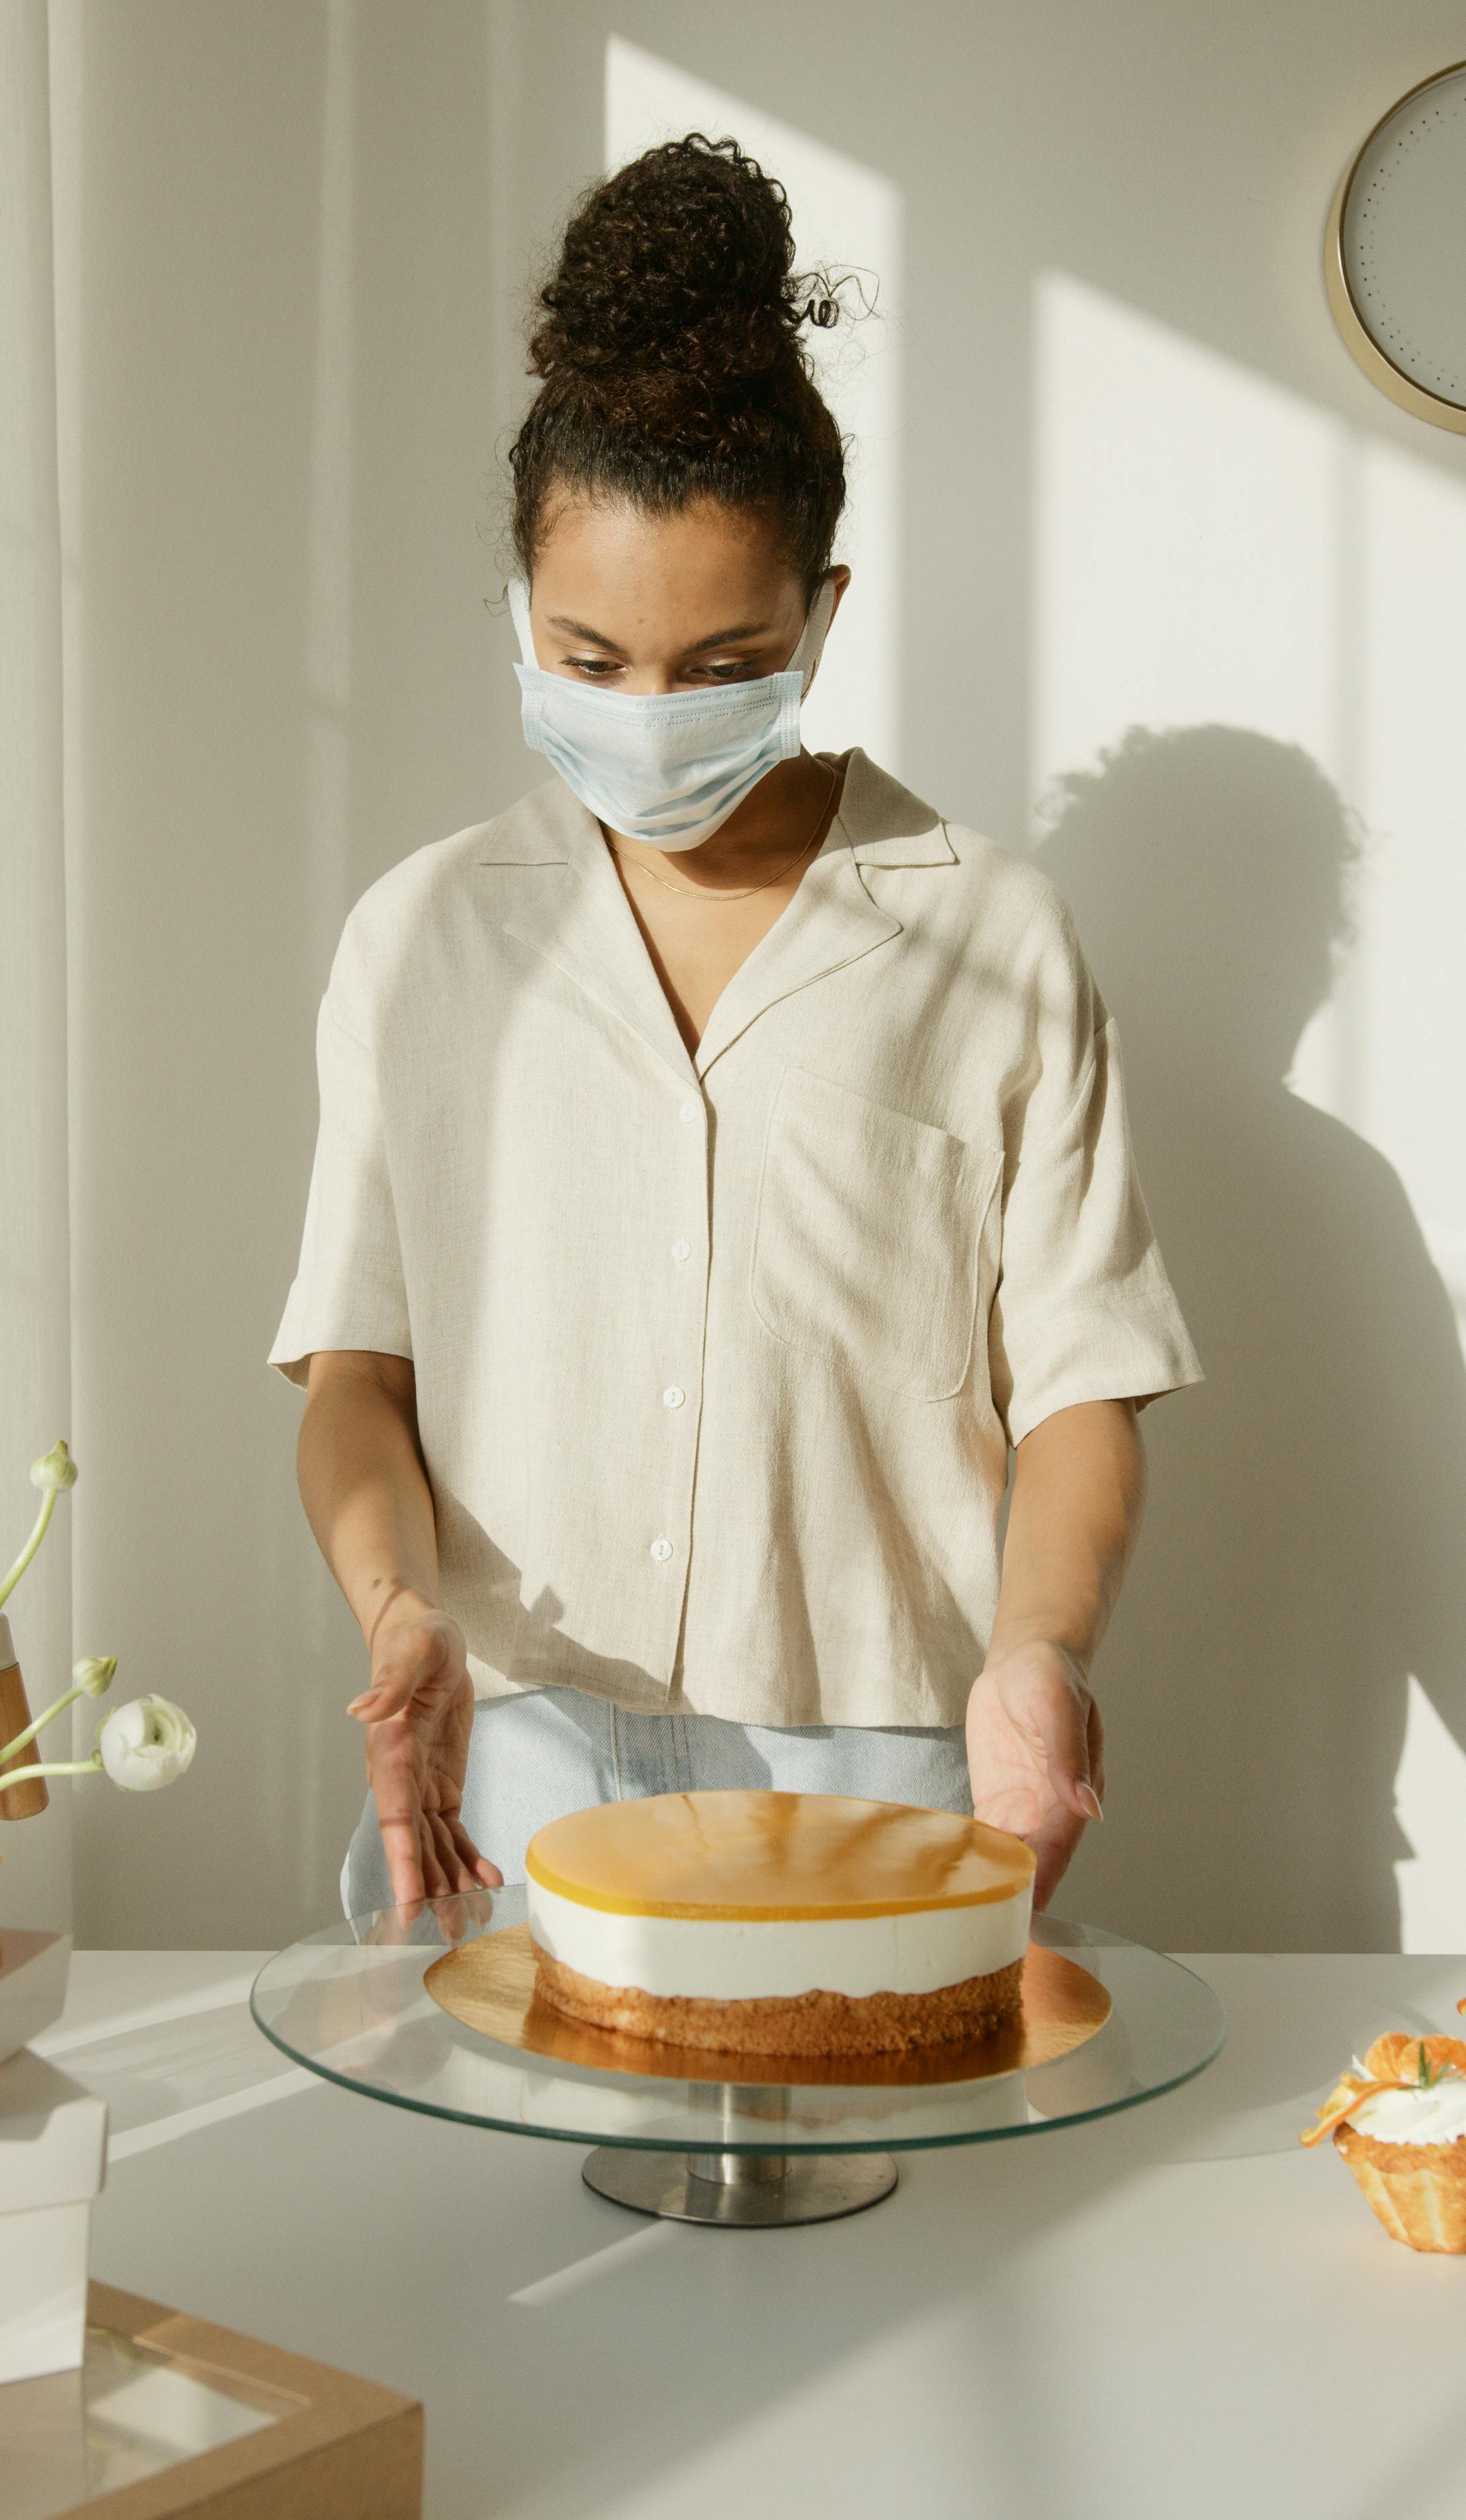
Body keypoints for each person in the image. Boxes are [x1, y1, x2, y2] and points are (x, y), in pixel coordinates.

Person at [269, 134, 1202, 1924]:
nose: (649, 717)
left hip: (880, 1751)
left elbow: (1085, 1382)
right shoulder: (425, 943)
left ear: (818, 620)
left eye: (719, 668)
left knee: (884, 2195)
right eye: (590, 658)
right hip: (507, 1741)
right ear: (524, 628)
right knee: (483, 2196)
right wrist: (400, 1616)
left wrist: (1040, 1653)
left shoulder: (987, 936)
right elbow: (355, 1378)